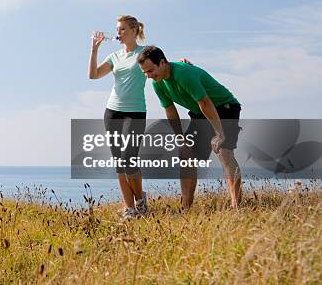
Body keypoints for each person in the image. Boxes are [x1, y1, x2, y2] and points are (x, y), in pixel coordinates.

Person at [137, 45, 242, 209]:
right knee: (186, 155)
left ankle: (236, 206)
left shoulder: (184, 74)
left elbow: (205, 103)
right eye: (145, 73)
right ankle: (186, 208)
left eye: (151, 70)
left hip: (223, 106)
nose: (149, 76)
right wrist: (180, 140)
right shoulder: (158, 83)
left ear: (163, 63)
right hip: (199, 112)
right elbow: (170, 111)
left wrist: (220, 134)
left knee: (224, 152)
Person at [88, 15, 148, 218]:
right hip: (113, 111)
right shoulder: (114, 56)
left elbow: (162, 66)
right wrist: (94, 50)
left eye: (122, 29)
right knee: (119, 163)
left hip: (136, 112)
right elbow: (94, 75)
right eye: (117, 29)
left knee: (129, 159)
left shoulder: (143, 53)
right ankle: (129, 208)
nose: (118, 33)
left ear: (133, 31)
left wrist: (181, 64)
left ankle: (140, 201)